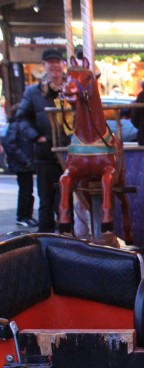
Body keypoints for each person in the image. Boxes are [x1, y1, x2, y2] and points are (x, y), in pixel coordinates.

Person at [16, 47, 66, 233]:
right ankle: (45, 242)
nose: (54, 66)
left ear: (62, 64)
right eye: (50, 62)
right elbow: (22, 118)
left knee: (66, 199)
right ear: (44, 65)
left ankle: (68, 240)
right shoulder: (33, 92)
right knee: (46, 199)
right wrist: (37, 137)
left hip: (70, 151)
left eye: (57, 62)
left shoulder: (71, 88)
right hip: (45, 152)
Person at [3, 104, 36, 228]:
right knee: (25, 192)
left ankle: (27, 216)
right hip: (22, 164)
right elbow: (10, 145)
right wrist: (24, 160)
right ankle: (22, 217)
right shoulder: (16, 126)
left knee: (28, 191)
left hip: (25, 163)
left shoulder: (21, 126)